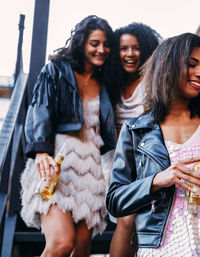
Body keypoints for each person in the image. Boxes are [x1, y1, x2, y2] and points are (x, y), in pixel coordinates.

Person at [106, 33, 200, 256]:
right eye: (192, 65)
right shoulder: (137, 131)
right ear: (167, 67)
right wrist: (158, 180)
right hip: (164, 248)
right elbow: (115, 200)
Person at [20, 15, 115, 257]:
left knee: (81, 251)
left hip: (91, 167)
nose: (101, 49)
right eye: (95, 43)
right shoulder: (56, 70)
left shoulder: (105, 82)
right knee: (62, 242)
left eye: (106, 44)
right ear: (82, 42)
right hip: (57, 161)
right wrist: (41, 151)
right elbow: (40, 109)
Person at [104, 22, 161, 257]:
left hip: (149, 158)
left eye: (135, 48)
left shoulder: (153, 81)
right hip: (120, 160)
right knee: (125, 220)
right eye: (124, 48)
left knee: (146, 223)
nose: (129, 54)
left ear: (145, 49)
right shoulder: (110, 83)